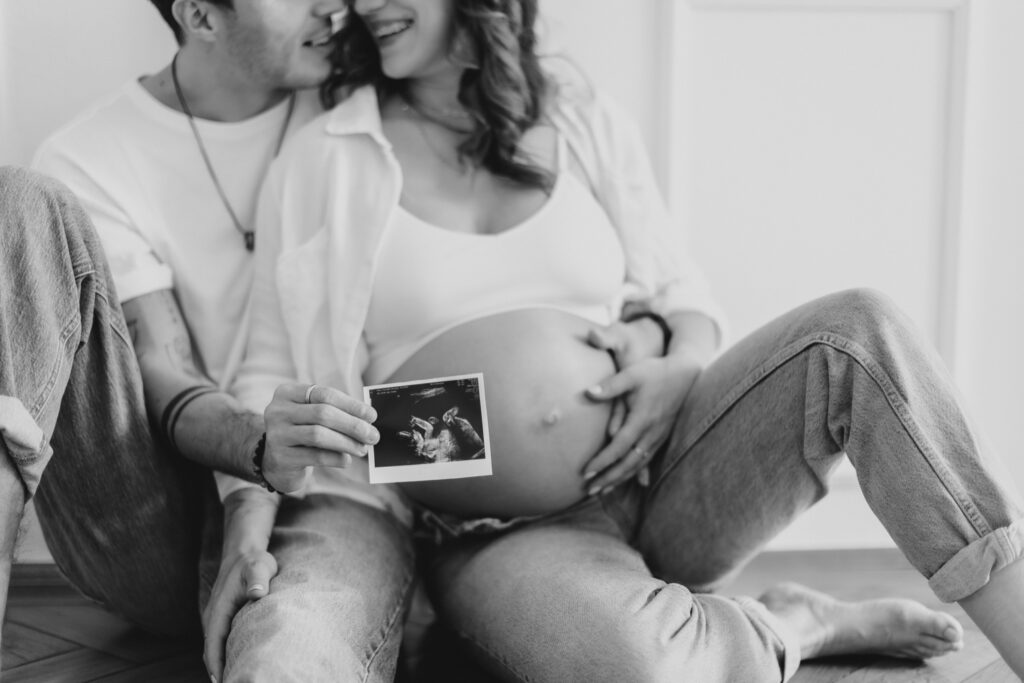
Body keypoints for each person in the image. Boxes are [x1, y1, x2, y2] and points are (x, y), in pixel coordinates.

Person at [234, 0, 1024, 680]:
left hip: (667, 470)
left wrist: (679, 362)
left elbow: (685, 297)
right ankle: (794, 624)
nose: (367, 3)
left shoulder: (576, 116)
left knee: (859, 328)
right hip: (497, 533)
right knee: (641, 668)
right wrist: (267, 477)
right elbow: (268, 370)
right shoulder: (324, 154)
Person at [0, 1, 416, 681]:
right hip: (155, 512)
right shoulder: (92, 155)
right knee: (18, 203)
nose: (331, 6)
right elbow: (162, 370)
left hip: (327, 498)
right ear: (200, 14)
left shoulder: (358, 117)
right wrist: (258, 448)